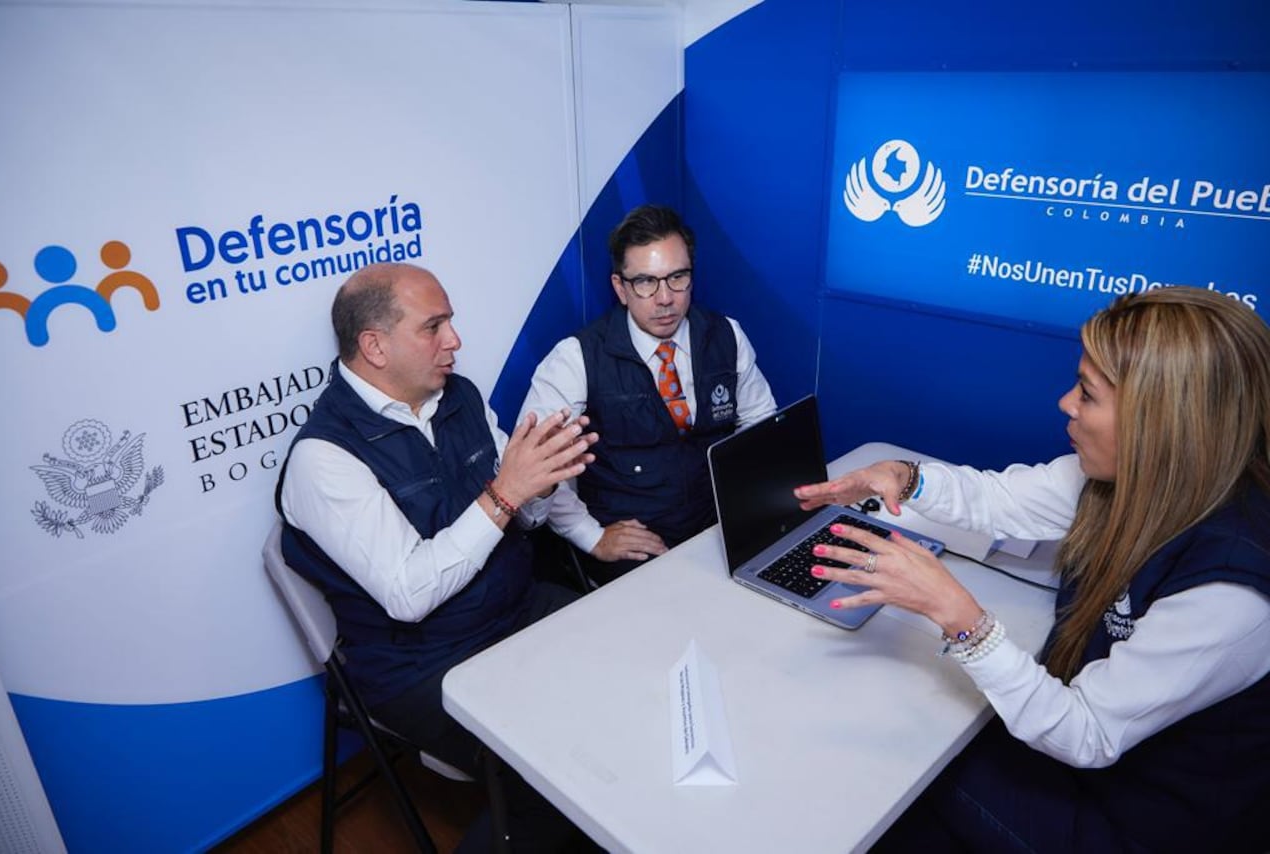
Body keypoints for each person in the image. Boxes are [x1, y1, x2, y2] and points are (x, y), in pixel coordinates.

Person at [795, 286, 1270, 853]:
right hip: (1079, 765)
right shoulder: (1126, 480)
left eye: (1088, 394)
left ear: (1162, 423)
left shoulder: (1232, 591)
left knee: (898, 769)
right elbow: (998, 499)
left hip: (1135, 819)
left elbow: (1086, 733)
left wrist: (959, 617)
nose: (1066, 403)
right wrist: (906, 477)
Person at [276, 262, 597, 852]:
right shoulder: (323, 459)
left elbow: (524, 518)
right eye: (434, 326)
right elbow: (409, 593)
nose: (454, 340)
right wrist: (507, 491)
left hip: (514, 608)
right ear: (374, 346)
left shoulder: (459, 397)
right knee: (558, 768)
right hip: (422, 661)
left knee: (629, 661)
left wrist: (542, 481)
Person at [520, 204, 777, 585]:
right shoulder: (574, 359)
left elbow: (762, 424)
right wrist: (592, 537)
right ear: (620, 288)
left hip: (716, 531)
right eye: (645, 282)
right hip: (636, 550)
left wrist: (748, 505)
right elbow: (536, 472)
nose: (665, 298)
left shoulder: (726, 335)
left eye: (677, 278)